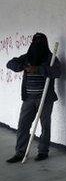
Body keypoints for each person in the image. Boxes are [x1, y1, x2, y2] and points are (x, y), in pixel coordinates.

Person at [6, 33, 61, 163]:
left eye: (40, 41)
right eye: (35, 41)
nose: (38, 44)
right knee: (23, 125)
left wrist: (38, 69)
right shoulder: (27, 57)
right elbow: (10, 64)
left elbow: (58, 72)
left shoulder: (50, 58)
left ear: (45, 43)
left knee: (45, 126)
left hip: (45, 98)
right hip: (28, 98)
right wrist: (24, 67)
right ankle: (20, 152)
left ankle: (43, 152)